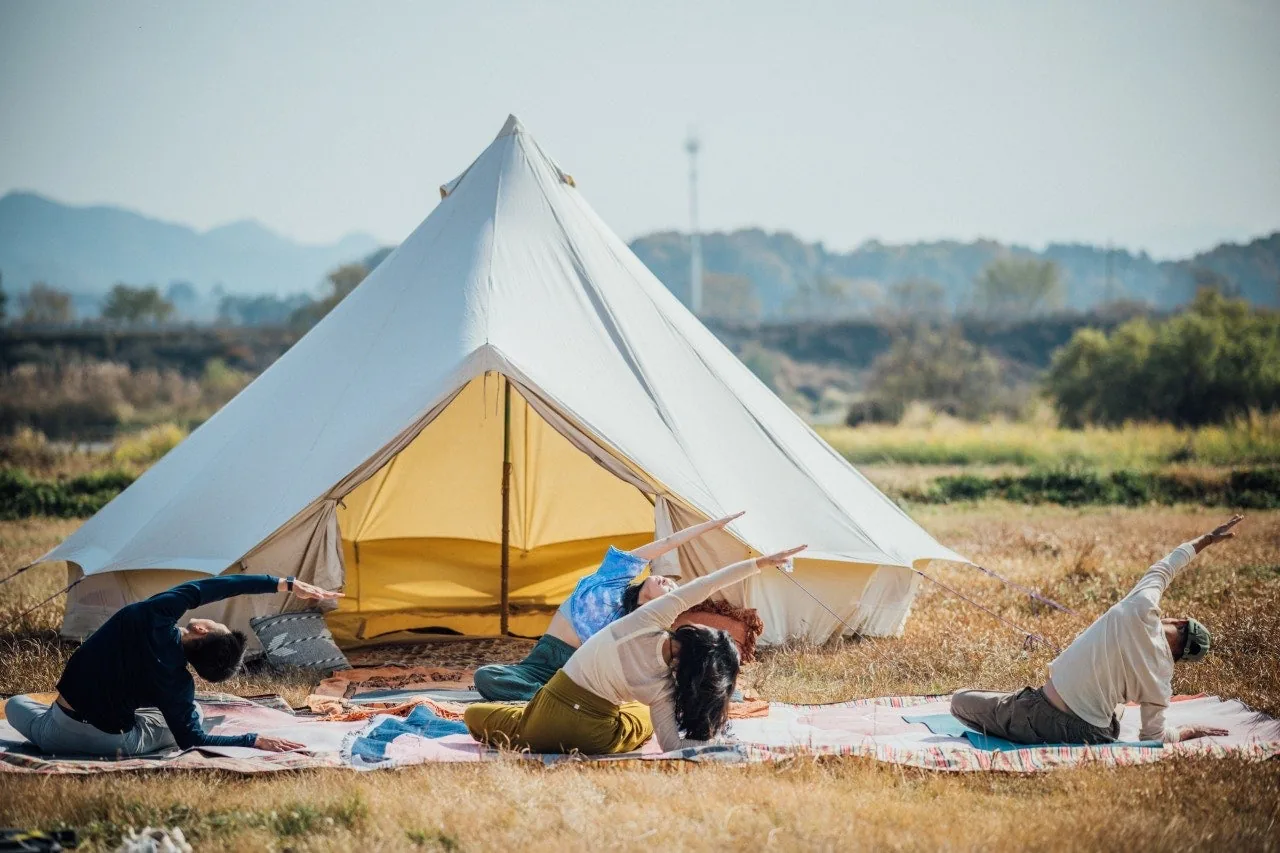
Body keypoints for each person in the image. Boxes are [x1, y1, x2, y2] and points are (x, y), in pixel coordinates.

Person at [465, 544, 806, 755]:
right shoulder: (662, 691)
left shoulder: (647, 619)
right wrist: (716, 744)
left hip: (541, 719)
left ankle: (535, 722)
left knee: (473, 716)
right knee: (639, 715)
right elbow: (672, 746)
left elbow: (707, 584)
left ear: (695, 639)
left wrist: (760, 563)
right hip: (594, 740)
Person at [951, 515, 1242, 745]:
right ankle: (1013, 709)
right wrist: (1188, 731)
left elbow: (1167, 565)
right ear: (1180, 658)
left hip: (1044, 716)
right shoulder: (1161, 680)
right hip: (1097, 733)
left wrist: (1206, 540)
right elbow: (1154, 737)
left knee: (959, 700)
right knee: (1111, 699)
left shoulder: (1142, 607)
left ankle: (1012, 715)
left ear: (1179, 623)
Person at [5, 574, 342, 757]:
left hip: (55, 733)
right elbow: (191, 739)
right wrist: (253, 739)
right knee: (183, 715)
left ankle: (55, 726)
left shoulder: (150, 616)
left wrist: (281, 583)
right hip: (113, 744)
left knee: (16, 703)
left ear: (200, 629)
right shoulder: (178, 683)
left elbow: (212, 587)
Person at [473, 512, 745, 701]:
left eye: (671, 589)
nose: (667, 581)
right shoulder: (614, 576)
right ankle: (549, 700)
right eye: (668, 581)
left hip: (579, 673)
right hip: (539, 665)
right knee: (486, 677)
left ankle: (557, 700)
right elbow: (666, 543)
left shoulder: (636, 624)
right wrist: (709, 526)